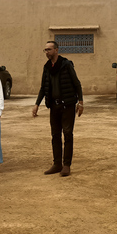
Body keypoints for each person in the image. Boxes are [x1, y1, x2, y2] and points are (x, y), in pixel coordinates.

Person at [32, 41, 84, 177]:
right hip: (54, 106)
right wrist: (37, 104)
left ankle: (66, 165)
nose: (47, 52)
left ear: (56, 50)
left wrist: (81, 102)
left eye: (49, 49)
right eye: (45, 50)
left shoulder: (66, 65)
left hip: (67, 105)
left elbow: (77, 84)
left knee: (67, 134)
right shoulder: (47, 67)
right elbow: (43, 87)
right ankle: (57, 164)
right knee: (55, 135)